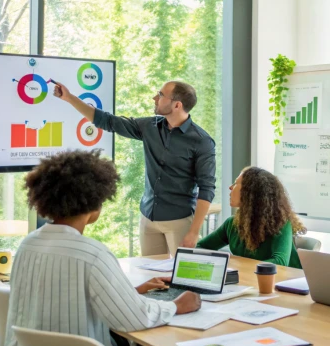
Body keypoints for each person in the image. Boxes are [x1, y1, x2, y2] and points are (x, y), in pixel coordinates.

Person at [3, 150, 201, 346]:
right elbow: (135, 318)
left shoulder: (28, 244)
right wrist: (176, 305)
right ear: (95, 204)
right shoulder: (93, 254)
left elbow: (62, 298)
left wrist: (129, 293)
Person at [54, 80, 216, 256]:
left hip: (180, 221)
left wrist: (193, 232)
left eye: (161, 95)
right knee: (151, 276)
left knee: (184, 279)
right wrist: (69, 98)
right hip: (148, 218)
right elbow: (108, 121)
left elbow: (206, 189)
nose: (155, 98)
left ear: (177, 105)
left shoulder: (201, 141)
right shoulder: (149, 127)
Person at [197, 167, 306, 268]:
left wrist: (237, 265)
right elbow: (200, 248)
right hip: (250, 281)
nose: (230, 187)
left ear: (249, 192)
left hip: (285, 283)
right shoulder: (231, 224)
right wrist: (221, 264)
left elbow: (280, 262)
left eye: (236, 183)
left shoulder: (281, 224)